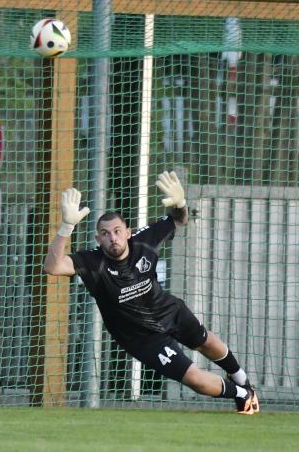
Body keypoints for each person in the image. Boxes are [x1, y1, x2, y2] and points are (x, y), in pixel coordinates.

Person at [44, 171, 259, 414]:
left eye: (117, 231)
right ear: (98, 238)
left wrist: (181, 203)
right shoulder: (92, 262)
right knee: (195, 380)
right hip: (142, 338)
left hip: (168, 310)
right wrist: (66, 226)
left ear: (127, 232)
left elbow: (179, 219)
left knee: (206, 341)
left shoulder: (144, 240)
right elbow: (52, 266)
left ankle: (242, 380)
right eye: (105, 234)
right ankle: (243, 395)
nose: (112, 238)